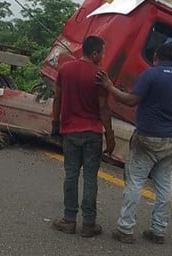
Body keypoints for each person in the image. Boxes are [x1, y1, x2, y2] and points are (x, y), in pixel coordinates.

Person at [96, 43, 172, 245]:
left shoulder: (151, 74)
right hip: (170, 140)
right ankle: (158, 230)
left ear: (156, 56)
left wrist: (109, 87)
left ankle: (125, 229)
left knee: (135, 182)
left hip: (147, 137)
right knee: (163, 186)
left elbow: (130, 101)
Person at [51, 35, 115, 238]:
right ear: (94, 53)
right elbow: (104, 108)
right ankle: (89, 224)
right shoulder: (100, 75)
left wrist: (55, 123)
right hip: (92, 134)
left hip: (70, 132)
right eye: (102, 52)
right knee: (90, 178)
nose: (103, 56)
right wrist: (110, 135)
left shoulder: (65, 70)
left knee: (71, 175)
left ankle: (69, 220)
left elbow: (57, 98)